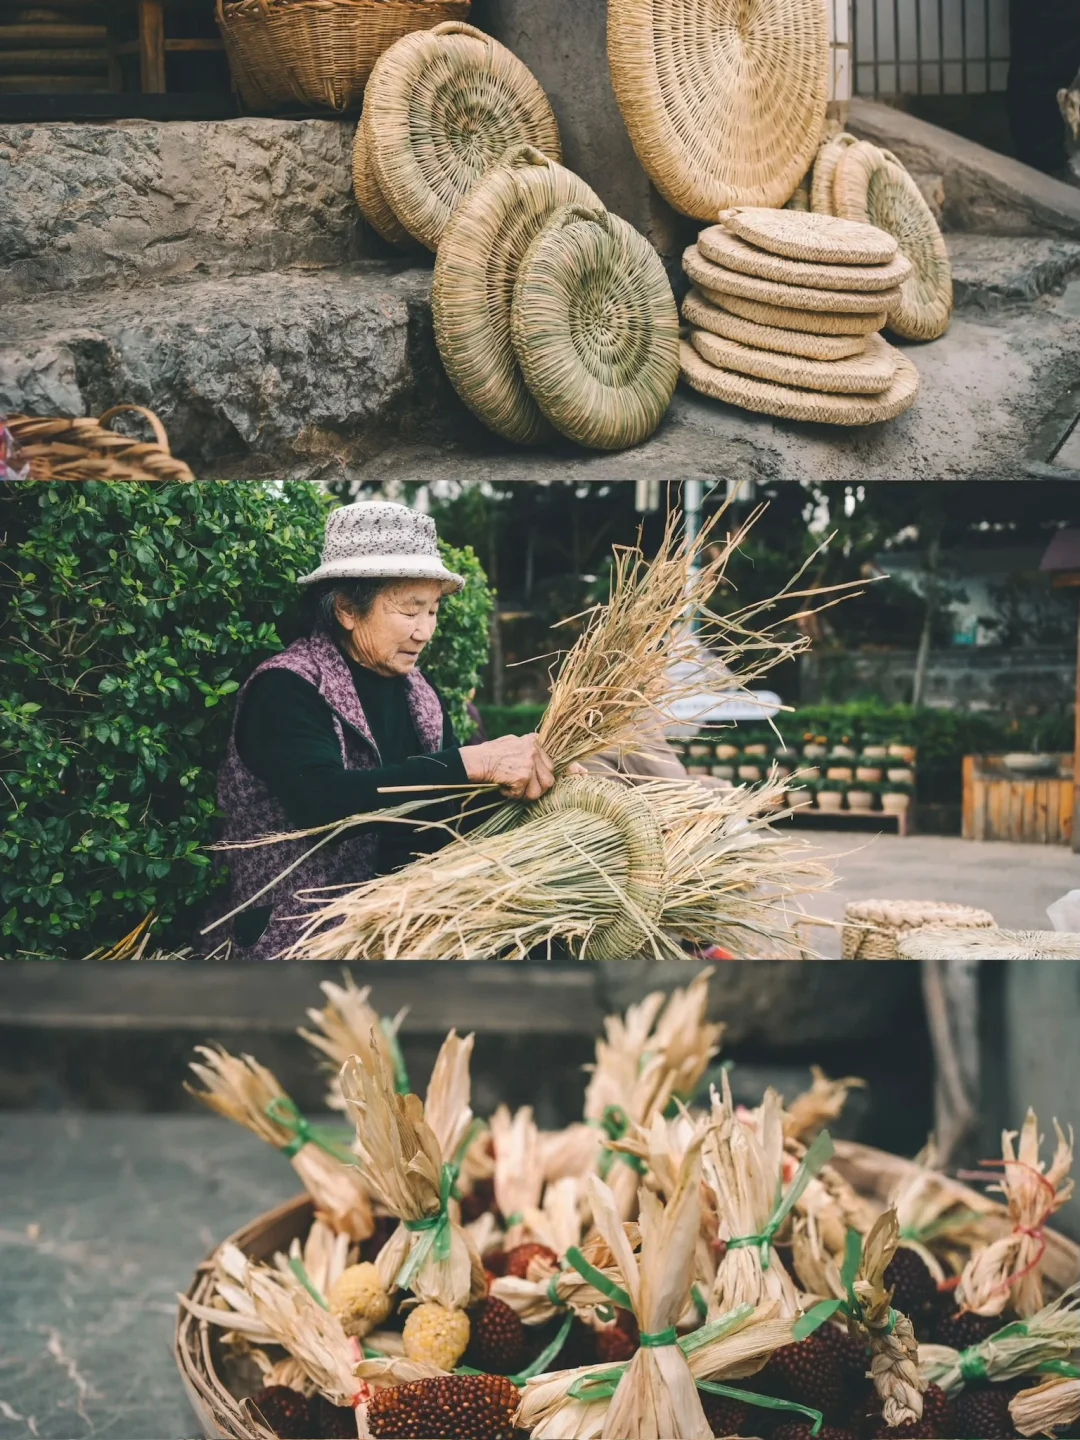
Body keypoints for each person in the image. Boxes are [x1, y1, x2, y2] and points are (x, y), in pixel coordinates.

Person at [205, 500, 557, 959]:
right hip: (302, 937)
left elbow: (445, 809)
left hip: (411, 924)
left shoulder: (419, 694)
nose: (425, 631)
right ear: (348, 610)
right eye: (410, 610)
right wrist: (470, 762)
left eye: (432, 610)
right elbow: (322, 802)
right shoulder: (286, 687)